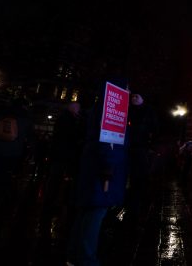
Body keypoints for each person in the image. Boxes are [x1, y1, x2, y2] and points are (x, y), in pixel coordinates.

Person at [67, 79, 129, 266]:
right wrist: (109, 167)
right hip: (102, 172)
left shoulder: (98, 110)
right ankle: (86, 259)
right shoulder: (110, 111)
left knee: (86, 214)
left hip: (95, 169)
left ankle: (74, 256)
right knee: (95, 214)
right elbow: (109, 143)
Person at [0, 98, 34, 238]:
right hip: (14, 154)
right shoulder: (27, 119)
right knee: (5, 177)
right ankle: (0, 206)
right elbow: (30, 139)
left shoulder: (1, 114)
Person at [40, 101, 85, 239]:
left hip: (58, 156)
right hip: (62, 157)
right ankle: (50, 206)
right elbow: (71, 137)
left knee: (54, 181)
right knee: (55, 181)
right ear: (73, 108)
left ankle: (49, 204)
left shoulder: (63, 119)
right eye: (77, 108)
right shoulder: (69, 120)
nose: (78, 111)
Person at [126, 92, 158, 231]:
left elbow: (153, 128)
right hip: (129, 149)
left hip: (140, 150)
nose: (134, 98)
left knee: (138, 183)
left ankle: (135, 213)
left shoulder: (147, 112)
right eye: (132, 96)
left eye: (137, 96)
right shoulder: (128, 110)